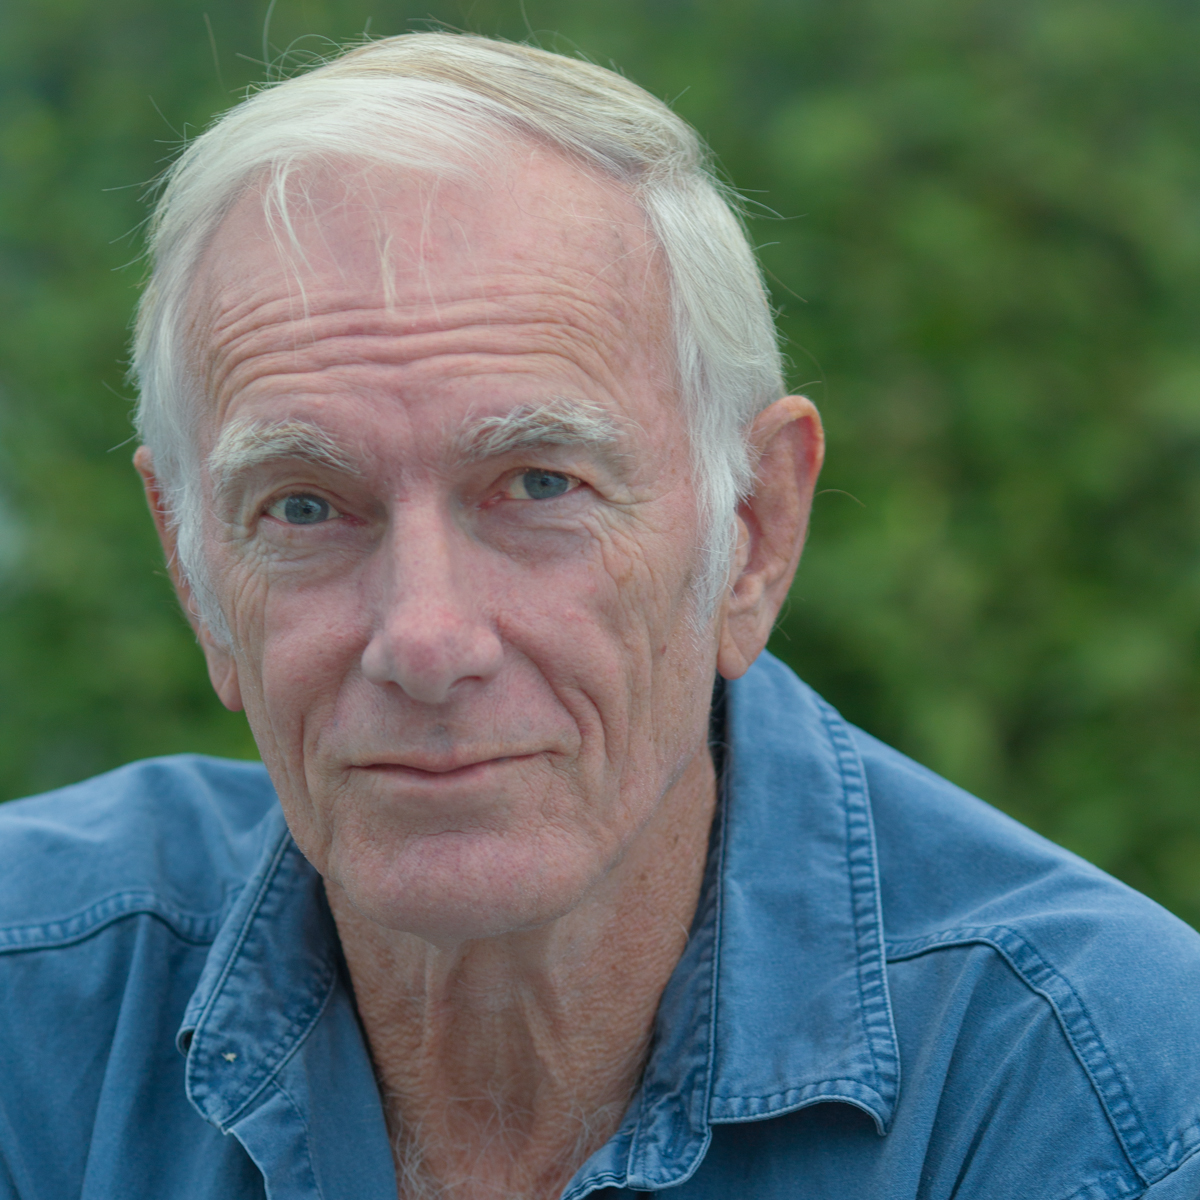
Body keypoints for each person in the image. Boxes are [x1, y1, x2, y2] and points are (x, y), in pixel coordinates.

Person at [0, 32, 1197, 1200]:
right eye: (305, 506)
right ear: (194, 572)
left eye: (539, 486)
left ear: (754, 532)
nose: (425, 640)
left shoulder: (1100, 1098)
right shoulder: (31, 1006)